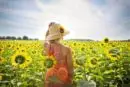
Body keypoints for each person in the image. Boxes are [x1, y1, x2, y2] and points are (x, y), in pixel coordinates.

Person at [44, 22, 74, 87]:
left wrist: (49, 31)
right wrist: (71, 79)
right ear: (62, 36)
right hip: (62, 76)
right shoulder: (67, 49)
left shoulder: (48, 47)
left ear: (50, 36)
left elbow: (45, 42)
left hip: (50, 76)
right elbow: (70, 67)